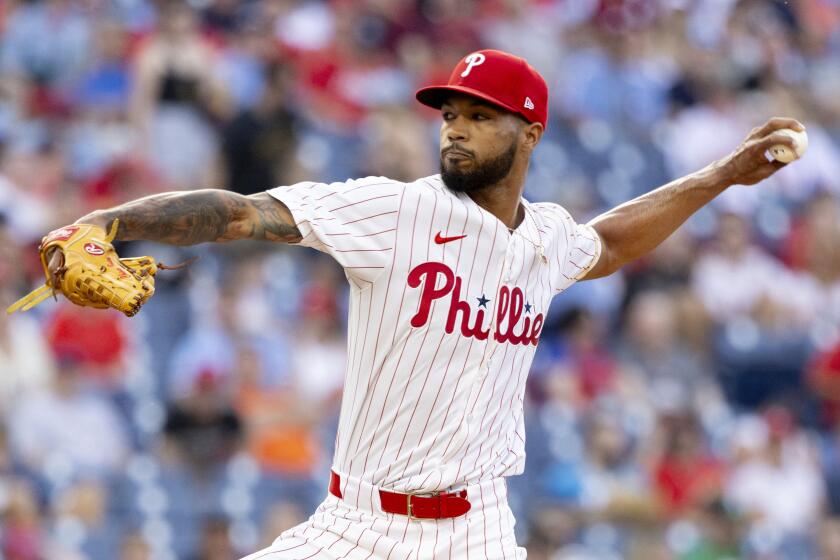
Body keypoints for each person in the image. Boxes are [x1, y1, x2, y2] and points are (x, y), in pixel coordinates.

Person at [37, 50, 803, 558]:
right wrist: (116, 220)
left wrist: (718, 178)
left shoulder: (546, 239)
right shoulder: (395, 210)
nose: (457, 131)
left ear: (529, 132)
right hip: (356, 524)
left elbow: (610, 244)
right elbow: (243, 212)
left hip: (476, 531)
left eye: (479, 116)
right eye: (449, 116)